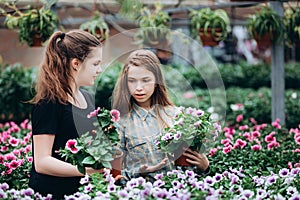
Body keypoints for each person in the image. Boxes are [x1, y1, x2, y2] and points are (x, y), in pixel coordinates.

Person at [112, 49, 210, 181]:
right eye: (132, 81)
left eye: (146, 80)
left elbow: (190, 170)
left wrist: (205, 166)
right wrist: (138, 173)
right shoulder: (120, 122)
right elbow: (115, 175)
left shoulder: (176, 115)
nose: (139, 87)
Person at [28, 29, 104, 199]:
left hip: (82, 192)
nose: (99, 70)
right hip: (52, 193)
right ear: (76, 64)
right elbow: (42, 162)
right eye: (95, 63)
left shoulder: (88, 98)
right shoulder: (49, 102)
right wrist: (86, 170)